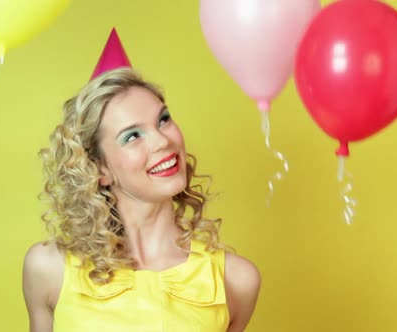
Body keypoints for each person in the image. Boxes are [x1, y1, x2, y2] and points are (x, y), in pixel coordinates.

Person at [22, 29, 260, 332]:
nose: (162, 141)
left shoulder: (235, 281)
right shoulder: (48, 269)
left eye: (163, 119)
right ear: (100, 170)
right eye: (132, 136)